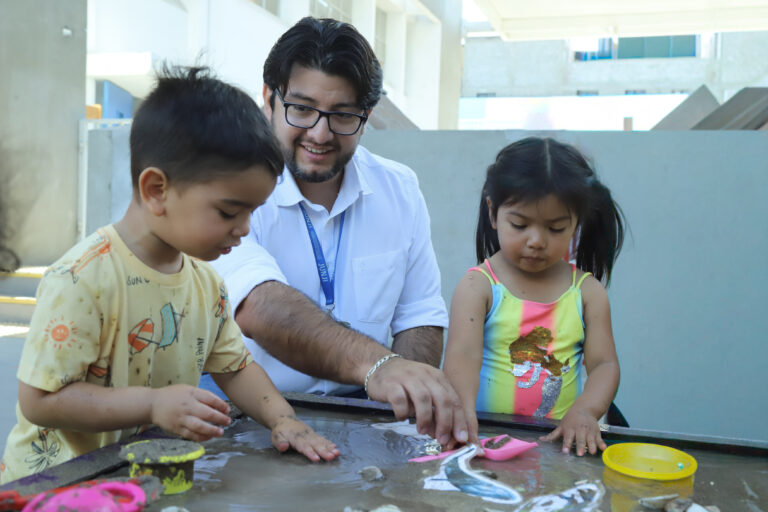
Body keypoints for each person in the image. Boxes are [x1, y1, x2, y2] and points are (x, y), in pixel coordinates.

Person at [0, 66, 339, 484]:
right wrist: (153, 404)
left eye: (253, 212)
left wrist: (283, 419)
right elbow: (40, 401)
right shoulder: (82, 279)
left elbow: (234, 367)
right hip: (57, 488)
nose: (245, 228)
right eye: (229, 211)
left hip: (139, 480)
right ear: (156, 190)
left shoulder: (206, 282)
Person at [210, 17, 468, 447]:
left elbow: (420, 315)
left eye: (343, 115)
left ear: (366, 117)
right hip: (245, 414)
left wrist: (406, 404)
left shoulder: (399, 189)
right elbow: (257, 305)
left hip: (366, 417)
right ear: (268, 99)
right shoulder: (225, 185)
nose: (319, 133)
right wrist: (378, 366)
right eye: (302, 108)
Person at [443, 137, 625, 456]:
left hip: (559, 446)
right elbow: (462, 357)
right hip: (486, 441)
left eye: (555, 229)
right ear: (493, 212)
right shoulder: (479, 286)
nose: (537, 241)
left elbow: (604, 364)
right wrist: (461, 417)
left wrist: (584, 413)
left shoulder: (587, 293)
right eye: (520, 224)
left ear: (576, 224)